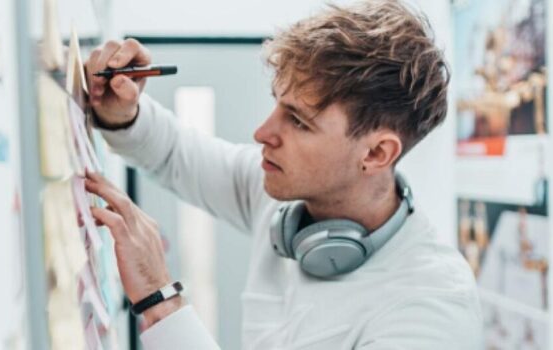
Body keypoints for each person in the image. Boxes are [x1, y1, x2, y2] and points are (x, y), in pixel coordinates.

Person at [84, 0, 483, 348]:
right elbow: (173, 152)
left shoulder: (432, 307)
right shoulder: (282, 193)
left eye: (298, 121)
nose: (262, 133)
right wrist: (122, 110)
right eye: (278, 105)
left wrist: (160, 299)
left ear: (377, 152)